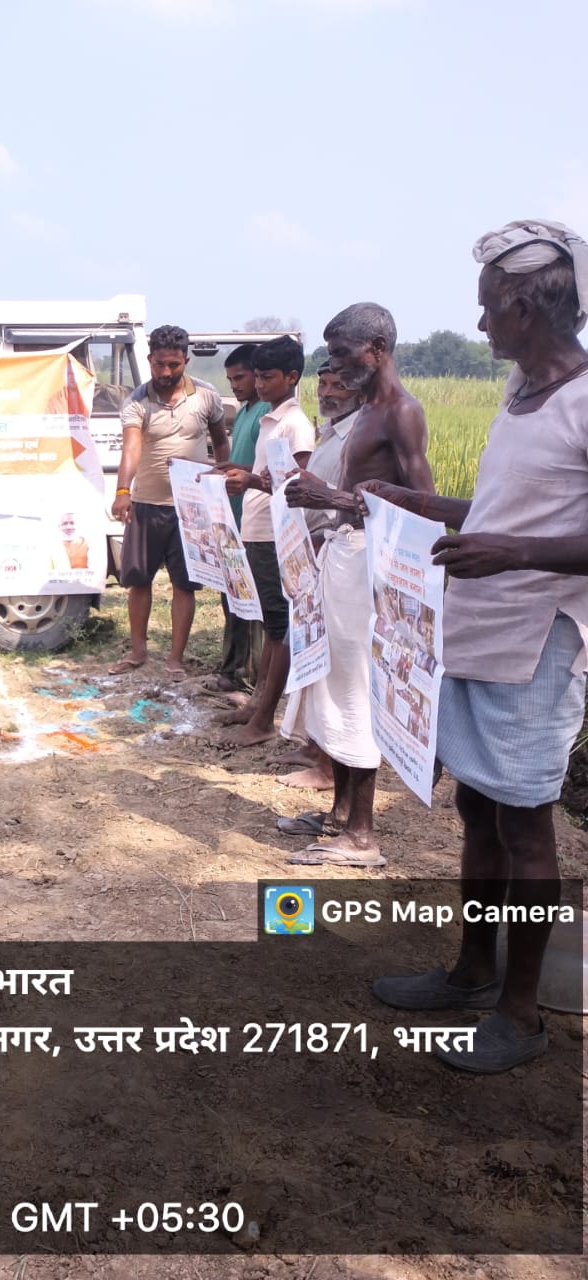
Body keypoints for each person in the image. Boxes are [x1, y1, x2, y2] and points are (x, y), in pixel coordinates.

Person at [366, 219, 588, 1072]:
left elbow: (522, 538)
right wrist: (424, 507)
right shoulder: (521, 392)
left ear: (526, 308)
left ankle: (521, 1016)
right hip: (478, 629)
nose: (481, 321)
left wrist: (515, 554)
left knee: (526, 826)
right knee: (478, 809)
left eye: (490, 306)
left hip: (537, 645)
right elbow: (508, 511)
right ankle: (470, 971)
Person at [275, 306, 433, 867]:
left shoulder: (401, 412)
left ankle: (362, 835)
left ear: (377, 348)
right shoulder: (366, 411)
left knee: (358, 689)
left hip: (370, 563)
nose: (334, 364)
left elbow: (422, 506)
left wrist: (333, 499)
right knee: (334, 683)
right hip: (343, 556)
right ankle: (341, 813)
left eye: (342, 353)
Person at [210, 337, 313, 746]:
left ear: (291, 377)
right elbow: (267, 474)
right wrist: (237, 470)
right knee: (271, 625)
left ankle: (264, 719)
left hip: (274, 534)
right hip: (255, 528)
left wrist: (251, 480)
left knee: (279, 628)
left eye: (267, 377)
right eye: (258, 376)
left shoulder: (294, 424)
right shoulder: (269, 418)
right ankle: (257, 706)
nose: (259, 384)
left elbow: (296, 486)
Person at [110, 325, 228, 678]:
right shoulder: (136, 401)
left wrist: (221, 479)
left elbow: (221, 441)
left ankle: (175, 659)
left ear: (185, 361)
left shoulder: (206, 396)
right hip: (147, 504)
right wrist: (122, 490)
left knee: (184, 584)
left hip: (191, 508)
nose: (165, 372)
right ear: (149, 360)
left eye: (173, 365)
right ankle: (137, 651)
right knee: (138, 580)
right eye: (159, 364)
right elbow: (131, 448)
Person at [276, 363, 365, 789]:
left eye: (339, 384)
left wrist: (321, 496)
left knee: (338, 668)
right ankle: (318, 751)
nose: (327, 392)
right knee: (312, 651)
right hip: (315, 549)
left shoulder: (361, 434)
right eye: (323, 383)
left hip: (342, 553)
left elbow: (358, 502)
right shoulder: (330, 431)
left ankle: (330, 768)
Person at [204, 344, 267, 697]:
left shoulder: (267, 414)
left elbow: (268, 471)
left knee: (251, 604)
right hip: (234, 518)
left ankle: (249, 676)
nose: (235, 385)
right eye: (230, 380)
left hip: (256, 522)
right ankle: (231, 668)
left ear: (258, 375)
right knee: (232, 598)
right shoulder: (243, 413)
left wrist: (239, 471)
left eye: (240, 377)